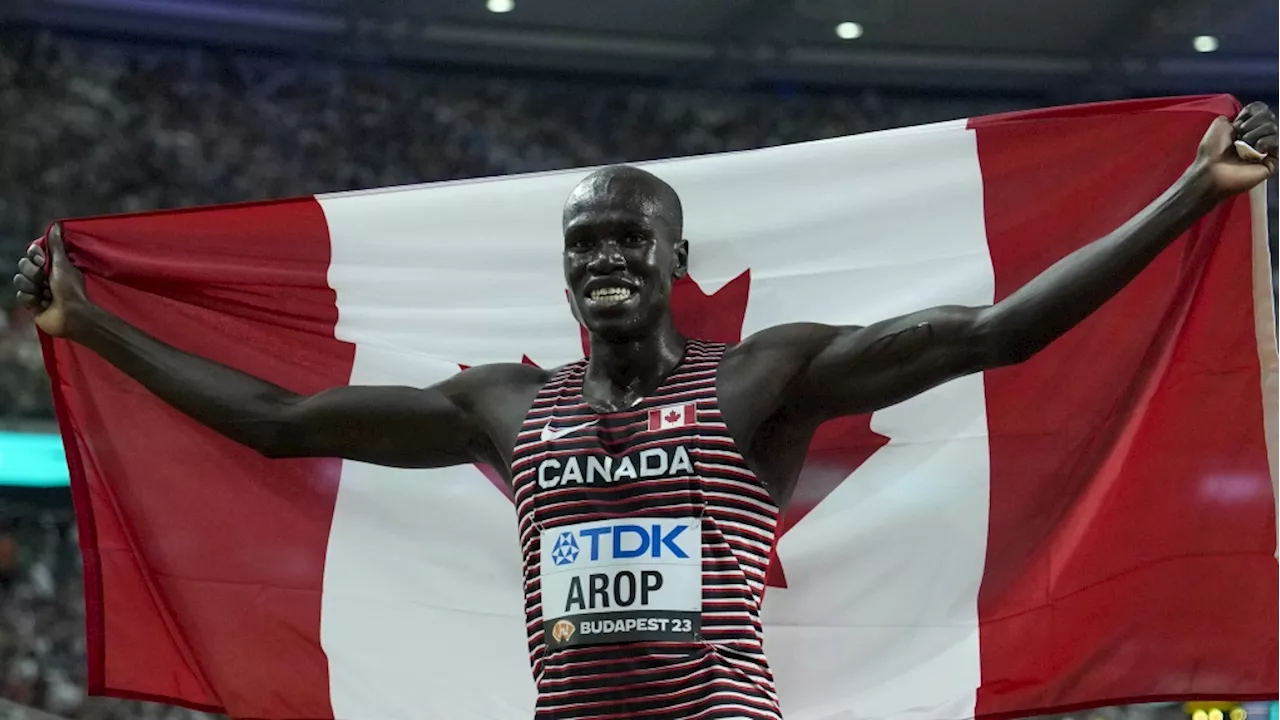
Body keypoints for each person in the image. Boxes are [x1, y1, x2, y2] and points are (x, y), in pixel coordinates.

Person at [12, 103, 1280, 719]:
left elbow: (992, 334)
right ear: (561, 269)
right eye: (582, 244)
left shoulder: (754, 380)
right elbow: (280, 420)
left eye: (630, 238)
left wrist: (1189, 195)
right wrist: (89, 327)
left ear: (677, 260)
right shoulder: (502, 407)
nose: (603, 258)